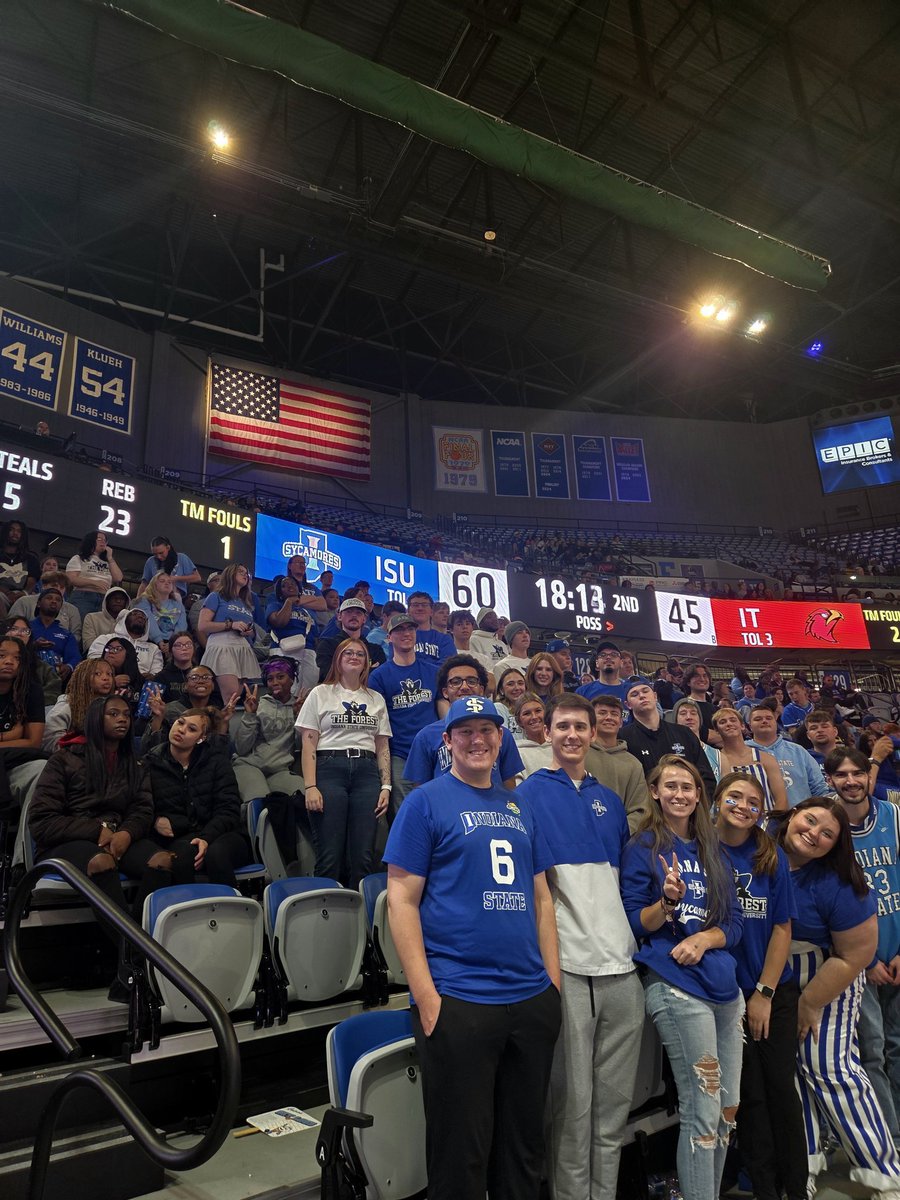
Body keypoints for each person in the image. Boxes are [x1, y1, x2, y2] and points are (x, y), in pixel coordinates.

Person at [384, 695, 561, 1200]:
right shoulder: (425, 802)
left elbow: (542, 897)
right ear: (448, 741)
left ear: (501, 740)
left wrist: (552, 984)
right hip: (459, 999)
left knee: (524, 1152)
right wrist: (427, 995)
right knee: (459, 1156)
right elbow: (401, 899)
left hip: (530, 1000)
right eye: (466, 731)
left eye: (488, 730)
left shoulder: (519, 804)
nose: (478, 739)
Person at [519, 693, 642, 1200]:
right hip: (568, 966)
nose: (572, 735)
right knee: (572, 1107)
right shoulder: (526, 796)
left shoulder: (610, 802)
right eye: (562, 726)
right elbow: (533, 893)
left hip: (621, 967)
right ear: (546, 732)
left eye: (581, 727)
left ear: (595, 734)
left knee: (612, 1111)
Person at [620, 755, 744, 1200]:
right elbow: (636, 923)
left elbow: (734, 925)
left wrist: (707, 938)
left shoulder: (713, 851)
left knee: (726, 1112)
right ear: (655, 792)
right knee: (702, 1110)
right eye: (669, 786)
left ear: (698, 795)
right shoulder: (643, 847)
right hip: (677, 989)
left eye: (687, 787)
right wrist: (668, 903)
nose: (679, 794)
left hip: (725, 991)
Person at [776, 797, 900, 1194]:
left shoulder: (841, 882)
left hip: (827, 972)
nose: (814, 833)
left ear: (835, 844)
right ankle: (805, 1164)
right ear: (793, 815)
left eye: (827, 833)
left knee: (830, 1067)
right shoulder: (762, 853)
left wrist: (810, 1002)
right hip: (773, 973)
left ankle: (884, 1170)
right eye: (810, 821)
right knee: (792, 1073)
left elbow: (857, 954)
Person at [713, 772, 806, 1200]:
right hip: (722, 997)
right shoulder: (698, 850)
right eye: (735, 796)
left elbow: (782, 928)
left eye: (754, 802)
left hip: (770, 991)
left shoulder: (770, 856)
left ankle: (796, 1187)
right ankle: (765, 1189)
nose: (744, 806)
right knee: (747, 1097)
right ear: (717, 800)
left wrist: (763, 994)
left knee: (780, 1093)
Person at [28, 694, 157, 979]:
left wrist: (126, 832)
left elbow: (142, 809)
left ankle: (132, 955)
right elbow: (41, 822)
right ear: (96, 719)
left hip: (117, 835)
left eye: (126, 714)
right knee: (101, 863)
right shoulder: (64, 759)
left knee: (162, 860)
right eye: (113, 713)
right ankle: (137, 961)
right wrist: (97, 831)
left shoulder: (133, 763)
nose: (123, 718)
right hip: (65, 842)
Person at [827, 747, 900, 1152]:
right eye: (842, 775)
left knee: (899, 1047)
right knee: (871, 1052)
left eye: (857, 773)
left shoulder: (893, 816)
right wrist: (865, 960)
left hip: (898, 949)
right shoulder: (829, 829)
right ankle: (890, 1138)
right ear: (831, 780)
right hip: (859, 963)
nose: (851, 781)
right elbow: (830, 903)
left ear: (867, 776)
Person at [296, 637, 392, 888]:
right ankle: (325, 918)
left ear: (367, 663)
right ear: (337, 660)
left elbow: (382, 746)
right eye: (347, 653)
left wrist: (386, 786)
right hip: (329, 769)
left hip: (367, 772)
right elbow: (308, 744)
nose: (354, 657)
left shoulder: (376, 698)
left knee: (363, 856)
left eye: (360, 654)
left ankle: (361, 921)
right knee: (330, 855)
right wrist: (310, 786)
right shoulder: (320, 693)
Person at [144, 708, 252, 887]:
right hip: (180, 838)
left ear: (201, 738)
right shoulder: (151, 762)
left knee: (215, 854)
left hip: (222, 834)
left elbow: (229, 810)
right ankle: (187, 911)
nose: (181, 730)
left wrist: (206, 838)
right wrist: (155, 820)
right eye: (180, 722)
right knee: (182, 854)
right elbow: (143, 807)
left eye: (191, 729)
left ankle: (231, 910)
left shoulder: (216, 761)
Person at [404, 655, 524, 790]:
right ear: (445, 692)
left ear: (482, 689)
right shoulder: (426, 736)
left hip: (492, 807)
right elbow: (420, 791)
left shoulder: (501, 733)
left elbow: (510, 789)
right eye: (456, 682)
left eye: (472, 681)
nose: (465, 687)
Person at [368, 614, 440, 819]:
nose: (406, 633)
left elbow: (443, 709)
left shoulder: (433, 672)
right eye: (399, 630)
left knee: (439, 811)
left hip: (433, 752)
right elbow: (378, 723)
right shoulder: (379, 676)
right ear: (389, 637)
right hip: (400, 754)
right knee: (407, 816)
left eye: (410, 629)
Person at [622, 679, 716, 797]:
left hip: (689, 809)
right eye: (634, 694)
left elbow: (706, 777)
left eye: (645, 691)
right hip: (647, 811)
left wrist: (698, 809)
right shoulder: (623, 738)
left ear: (655, 696)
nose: (641, 696)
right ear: (628, 705)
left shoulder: (684, 733)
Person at [231, 660, 304, 803]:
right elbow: (241, 748)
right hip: (249, 765)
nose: (275, 682)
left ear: (292, 680)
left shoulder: (299, 706)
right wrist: (250, 715)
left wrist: (299, 718)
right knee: (259, 800)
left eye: (280, 677)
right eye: (270, 679)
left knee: (303, 797)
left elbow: (302, 747)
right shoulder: (258, 705)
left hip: (279, 770)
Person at [584, 694, 650, 834]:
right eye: (602, 713)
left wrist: (618, 833)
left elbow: (639, 810)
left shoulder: (633, 764)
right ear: (591, 720)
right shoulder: (580, 754)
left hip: (619, 841)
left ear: (621, 722)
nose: (609, 717)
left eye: (614, 714)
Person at [198, 563, 261, 701]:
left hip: (243, 647)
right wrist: (231, 625)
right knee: (231, 695)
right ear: (230, 574)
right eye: (240, 571)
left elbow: (254, 632)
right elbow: (203, 625)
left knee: (237, 696)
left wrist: (249, 632)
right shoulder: (216, 596)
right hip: (223, 644)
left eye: (246, 573)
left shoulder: (246, 603)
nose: (245, 574)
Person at [709, 707, 788, 813]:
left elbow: (781, 799)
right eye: (723, 722)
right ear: (717, 731)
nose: (729, 724)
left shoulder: (766, 758)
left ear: (742, 726)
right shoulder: (716, 760)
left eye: (733, 720)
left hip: (767, 823)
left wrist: (772, 825)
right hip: (733, 822)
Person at [746, 702, 827, 804]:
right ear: (750, 726)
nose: (764, 721)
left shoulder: (798, 751)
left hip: (799, 816)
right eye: (758, 719)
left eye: (769, 718)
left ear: (776, 722)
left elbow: (819, 787)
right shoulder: (741, 752)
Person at [43, 658, 116, 753]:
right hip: (69, 759)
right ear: (83, 677)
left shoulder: (111, 706)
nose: (106, 678)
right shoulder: (68, 704)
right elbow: (50, 740)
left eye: (109, 674)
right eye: (98, 673)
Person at [265, 574, 319, 691]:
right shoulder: (275, 605)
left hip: (308, 651)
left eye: (293, 584)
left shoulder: (307, 611)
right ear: (279, 592)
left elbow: (315, 634)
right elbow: (279, 622)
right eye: (285, 585)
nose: (290, 586)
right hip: (282, 650)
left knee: (308, 691)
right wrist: (289, 602)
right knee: (286, 690)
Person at [315, 597, 386, 680]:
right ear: (339, 616)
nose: (354, 615)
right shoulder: (327, 645)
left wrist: (341, 669)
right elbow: (326, 674)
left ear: (364, 619)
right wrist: (367, 670)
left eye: (358, 613)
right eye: (349, 612)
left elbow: (380, 678)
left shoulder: (376, 650)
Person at [0, 614, 62, 705]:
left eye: (25, 631)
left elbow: (53, 692)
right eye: (14, 629)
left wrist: (27, 703)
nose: (20, 633)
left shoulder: (42, 667)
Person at [65, 530, 123, 620]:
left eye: (105, 540)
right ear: (90, 541)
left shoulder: (108, 562)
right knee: (81, 624)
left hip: (104, 599)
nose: (103, 541)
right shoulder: (78, 558)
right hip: (83, 596)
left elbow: (118, 578)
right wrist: (94, 582)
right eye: (99, 539)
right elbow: (71, 579)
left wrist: (110, 558)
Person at [133, 571, 187, 649]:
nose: (167, 583)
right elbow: (149, 620)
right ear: (154, 585)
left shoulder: (179, 605)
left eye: (170, 582)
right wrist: (159, 640)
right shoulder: (144, 600)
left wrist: (173, 643)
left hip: (173, 643)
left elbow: (181, 626)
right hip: (148, 641)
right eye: (162, 581)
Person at [673, 696, 723, 781]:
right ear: (675, 719)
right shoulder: (667, 750)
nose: (689, 717)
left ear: (700, 719)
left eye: (693, 713)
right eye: (683, 713)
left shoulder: (718, 756)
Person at [0, 520, 40, 614]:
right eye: (12, 530)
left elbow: (32, 580)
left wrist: (24, 593)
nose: (15, 533)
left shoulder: (31, 558)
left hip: (22, 594)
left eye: (19, 531)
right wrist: (6, 592)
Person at [153, 631, 201, 705]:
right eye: (178, 645)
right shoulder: (161, 677)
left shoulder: (203, 674)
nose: (184, 648)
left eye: (188, 644)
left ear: (194, 649)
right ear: (171, 650)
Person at [78, 585, 129, 652]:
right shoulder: (91, 617)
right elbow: (89, 645)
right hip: (96, 657)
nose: (118, 601)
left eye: (122, 599)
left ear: (126, 602)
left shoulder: (129, 621)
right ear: (106, 601)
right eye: (114, 598)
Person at [514, 693, 551, 778]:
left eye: (538, 711)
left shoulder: (558, 746)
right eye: (527, 713)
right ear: (519, 721)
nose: (534, 717)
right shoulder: (516, 753)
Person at [99, 638, 144, 709]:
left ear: (129, 654)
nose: (111, 651)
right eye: (108, 648)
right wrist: (112, 684)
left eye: (118, 649)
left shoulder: (141, 682)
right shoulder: (93, 675)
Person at [681, 663, 714, 739]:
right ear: (688, 682)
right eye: (696, 676)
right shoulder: (683, 706)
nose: (702, 679)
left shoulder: (716, 709)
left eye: (705, 676)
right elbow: (694, 734)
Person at [494, 667, 526, 735]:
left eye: (520, 683)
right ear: (501, 690)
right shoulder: (498, 708)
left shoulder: (532, 709)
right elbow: (503, 737)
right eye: (510, 684)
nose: (517, 688)